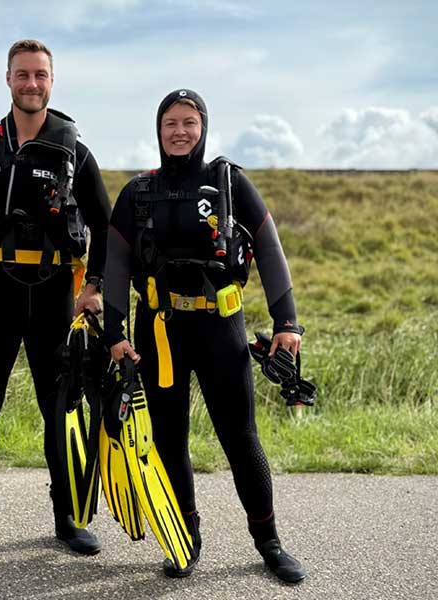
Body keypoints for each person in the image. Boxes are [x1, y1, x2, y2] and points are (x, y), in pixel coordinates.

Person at [103, 88, 307, 583]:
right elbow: (115, 267)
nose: (179, 131)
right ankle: (184, 538)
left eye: (189, 122)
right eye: (170, 122)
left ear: (203, 127)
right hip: (160, 331)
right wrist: (116, 334)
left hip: (221, 329)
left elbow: (271, 249)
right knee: (170, 439)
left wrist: (288, 325)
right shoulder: (138, 192)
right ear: (159, 129)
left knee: (241, 438)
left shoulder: (230, 183)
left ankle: (269, 541)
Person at [0, 39, 112, 560]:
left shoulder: (75, 151)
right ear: (7, 79)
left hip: (56, 293)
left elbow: (105, 225)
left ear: (52, 81)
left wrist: (93, 285)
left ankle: (68, 518)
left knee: (61, 410)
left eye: (40, 75)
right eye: (22, 75)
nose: (31, 84)